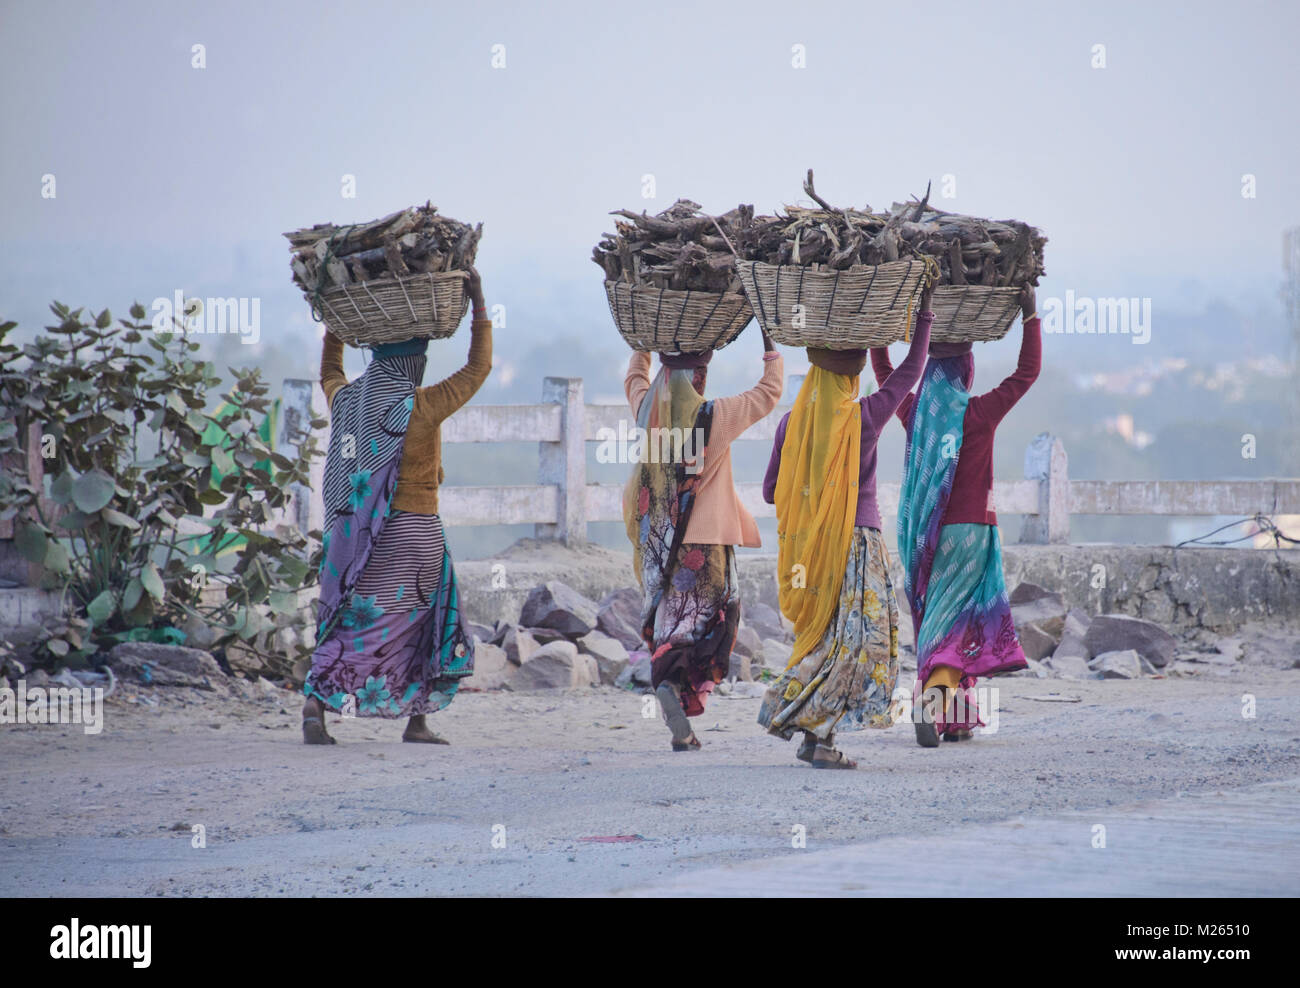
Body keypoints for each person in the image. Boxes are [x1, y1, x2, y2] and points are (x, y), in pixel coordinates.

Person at [301, 267, 493, 745]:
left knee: (352, 618)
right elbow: (479, 369)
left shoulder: (346, 400)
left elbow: (329, 371)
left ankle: (318, 702)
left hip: (353, 538)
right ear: (415, 362)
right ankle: (416, 720)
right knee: (425, 621)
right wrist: (481, 305)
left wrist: (335, 318)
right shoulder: (421, 404)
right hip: (414, 531)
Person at [757, 290, 934, 768]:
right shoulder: (862, 418)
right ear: (852, 376)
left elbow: (772, 492)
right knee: (860, 647)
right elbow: (909, 374)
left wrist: (810, 494)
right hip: (857, 549)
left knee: (829, 641)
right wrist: (923, 314)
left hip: (809, 556)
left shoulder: (792, 425)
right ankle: (804, 718)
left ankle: (817, 736)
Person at [873, 286, 1041, 746]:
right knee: (956, 623)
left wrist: (881, 322)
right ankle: (934, 696)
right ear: (966, 373)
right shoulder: (980, 412)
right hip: (972, 533)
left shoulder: (916, 416)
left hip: (927, 535)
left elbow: (887, 374)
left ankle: (955, 716)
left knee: (942, 619)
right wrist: (1030, 316)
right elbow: (1028, 372)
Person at [624, 333, 783, 751]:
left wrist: (643, 340)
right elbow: (770, 392)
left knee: (673, 628)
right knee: (714, 625)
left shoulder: (647, 410)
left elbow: (634, 378)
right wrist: (770, 343)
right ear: (699, 376)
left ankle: (670, 690)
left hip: (662, 547)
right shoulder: (716, 416)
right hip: (707, 548)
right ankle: (681, 696)